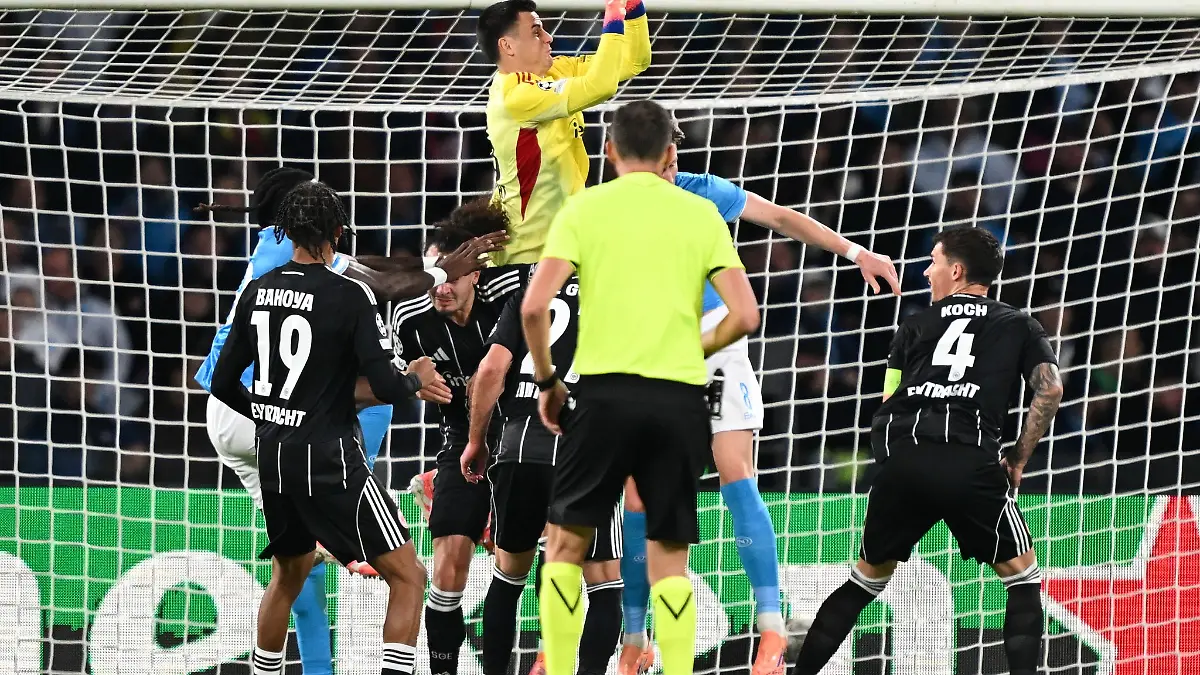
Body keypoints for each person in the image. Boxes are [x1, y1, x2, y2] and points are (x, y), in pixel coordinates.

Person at [616, 123, 903, 675]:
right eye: (662, 155)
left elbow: (778, 217)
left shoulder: (703, 191)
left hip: (716, 342)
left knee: (735, 473)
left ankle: (771, 630)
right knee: (637, 495)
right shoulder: (611, 206)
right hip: (650, 352)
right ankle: (634, 636)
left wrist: (851, 249)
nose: (671, 165)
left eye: (674, 156)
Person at [194, 168, 501, 674]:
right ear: (336, 232)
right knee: (408, 576)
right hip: (323, 453)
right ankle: (356, 528)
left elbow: (224, 381)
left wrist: (274, 417)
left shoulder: (262, 277)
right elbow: (384, 309)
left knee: (290, 571)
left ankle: (330, 557)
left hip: (258, 436)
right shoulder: (344, 289)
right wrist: (412, 373)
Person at [521, 100, 760, 675]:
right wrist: (689, 349)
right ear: (670, 153)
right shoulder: (699, 214)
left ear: (609, 151)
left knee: (565, 546)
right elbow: (746, 314)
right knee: (669, 560)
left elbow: (533, 309)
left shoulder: (583, 209)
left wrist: (550, 381)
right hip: (678, 402)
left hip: (602, 396)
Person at [789, 226, 1063, 675]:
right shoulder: (1018, 324)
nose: (926, 269)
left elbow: (886, 401)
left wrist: (894, 460)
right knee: (1023, 581)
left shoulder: (914, 325)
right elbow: (1050, 390)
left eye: (933, 261)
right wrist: (1017, 457)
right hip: (971, 461)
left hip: (906, 462)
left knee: (863, 582)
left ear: (956, 271)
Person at [462, 268, 624, 675]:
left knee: (508, 577)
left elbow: (491, 370)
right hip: (584, 451)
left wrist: (476, 440)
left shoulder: (530, 293)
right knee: (603, 584)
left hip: (520, 448)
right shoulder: (619, 294)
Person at [389, 199, 516, 675]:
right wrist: (408, 376)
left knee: (529, 563)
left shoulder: (510, 295)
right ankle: (444, 670)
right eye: (433, 275)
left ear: (476, 274)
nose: (440, 287)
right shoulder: (410, 320)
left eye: (452, 275)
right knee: (446, 571)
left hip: (525, 439)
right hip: (461, 441)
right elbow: (387, 370)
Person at [477, 0, 651, 265]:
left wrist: (633, 7)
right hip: (524, 257)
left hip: (565, 246)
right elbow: (601, 86)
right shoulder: (515, 95)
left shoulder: (555, 71)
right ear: (508, 46)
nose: (549, 37)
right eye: (536, 32)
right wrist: (613, 12)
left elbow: (634, 61)